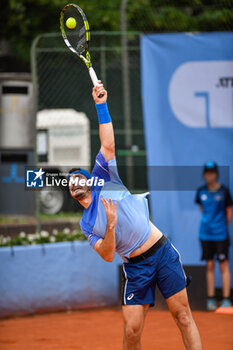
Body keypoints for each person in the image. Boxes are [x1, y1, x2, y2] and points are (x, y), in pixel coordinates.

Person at [68, 82, 202, 350]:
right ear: (72, 194)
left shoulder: (104, 178)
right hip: (136, 267)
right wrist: (111, 228)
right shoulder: (87, 224)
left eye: (79, 176)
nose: (75, 181)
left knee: (183, 317)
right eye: (70, 182)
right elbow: (107, 255)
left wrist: (101, 105)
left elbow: (108, 144)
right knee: (131, 331)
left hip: (161, 251)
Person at [195, 162, 232, 311]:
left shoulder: (224, 192)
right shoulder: (200, 192)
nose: (209, 175)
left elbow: (229, 212)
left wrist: (220, 225)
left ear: (216, 174)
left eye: (212, 173)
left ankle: (226, 299)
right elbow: (202, 209)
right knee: (209, 265)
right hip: (205, 235)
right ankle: (210, 298)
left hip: (221, 235)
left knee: (223, 265)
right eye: (207, 173)